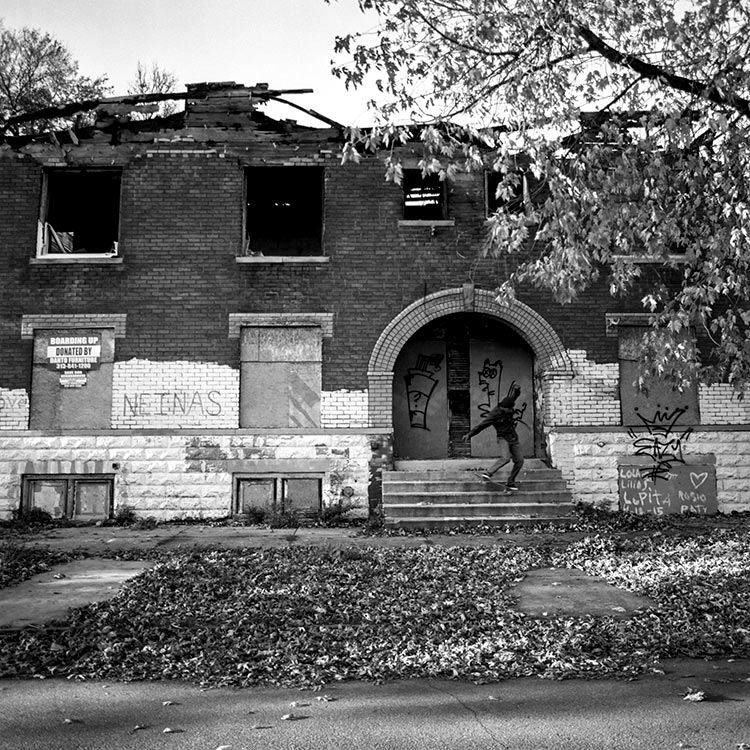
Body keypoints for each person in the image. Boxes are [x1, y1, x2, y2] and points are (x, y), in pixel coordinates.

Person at [462, 384, 524, 490]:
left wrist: (517, 390)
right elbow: (481, 426)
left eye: (511, 410)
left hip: (513, 438)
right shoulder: (494, 414)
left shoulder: (509, 403)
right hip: (502, 438)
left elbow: (515, 396)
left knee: (519, 461)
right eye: (507, 410)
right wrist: (469, 434)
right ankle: (488, 473)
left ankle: (511, 482)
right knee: (506, 458)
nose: (510, 412)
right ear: (503, 408)